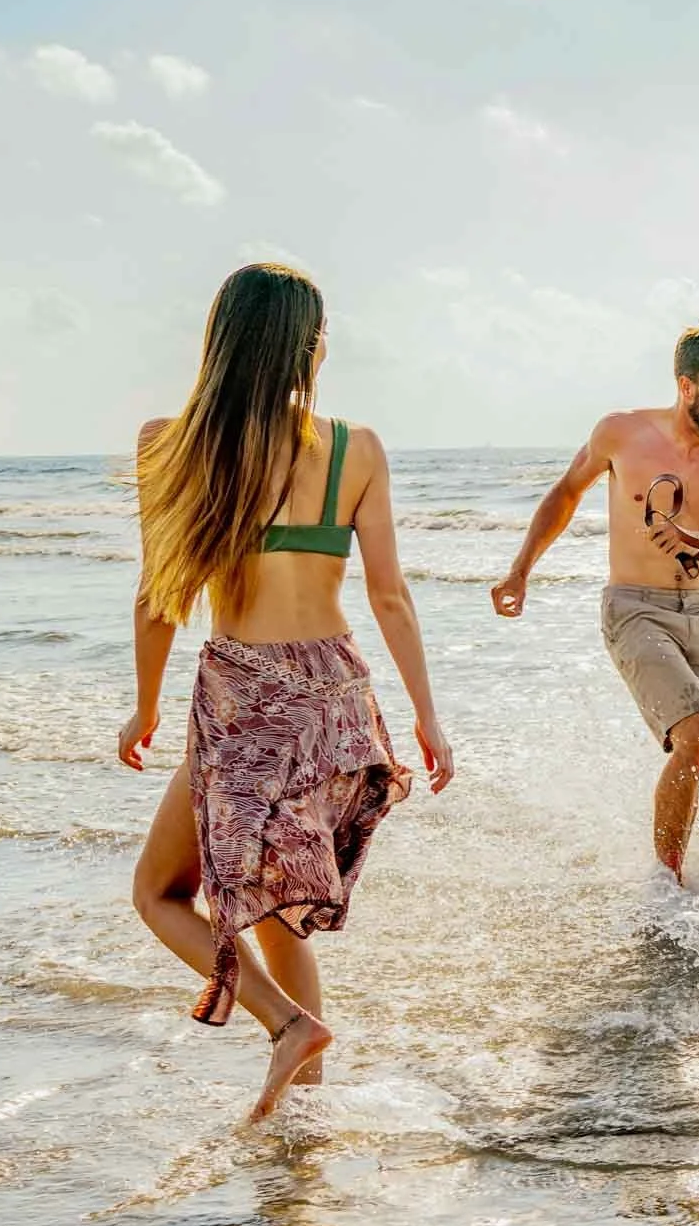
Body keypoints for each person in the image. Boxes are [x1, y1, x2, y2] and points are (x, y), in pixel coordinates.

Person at [119, 262, 455, 1122]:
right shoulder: (355, 446)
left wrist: (147, 704)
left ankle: (283, 1023)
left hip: (246, 695)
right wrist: (426, 716)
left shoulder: (171, 441)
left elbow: (160, 598)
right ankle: (303, 1120)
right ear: (310, 347)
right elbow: (389, 595)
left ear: (221, 338)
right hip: (336, 694)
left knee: (159, 893)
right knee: (283, 915)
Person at [489, 314, 699, 882]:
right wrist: (519, 571)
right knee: (696, 736)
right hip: (634, 609)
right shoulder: (621, 433)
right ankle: (668, 884)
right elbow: (566, 494)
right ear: (685, 386)